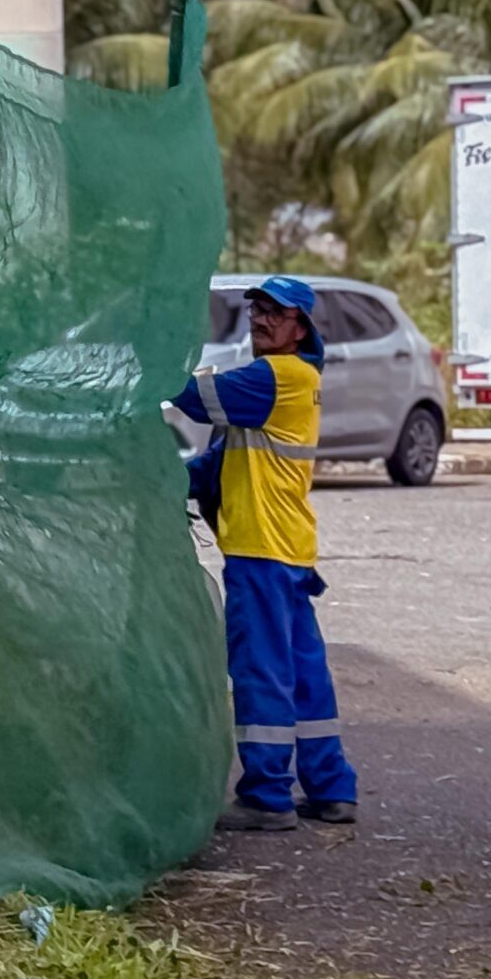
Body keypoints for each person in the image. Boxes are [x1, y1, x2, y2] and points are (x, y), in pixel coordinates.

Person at [172, 277, 357, 834]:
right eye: (256, 310)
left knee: (262, 670)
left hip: (261, 550)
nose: (261, 320)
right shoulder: (284, 384)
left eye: (276, 313)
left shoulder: (278, 376)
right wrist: (166, 480)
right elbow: (220, 466)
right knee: (304, 675)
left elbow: (198, 402)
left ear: (301, 328)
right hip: (289, 549)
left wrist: (150, 358)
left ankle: (268, 795)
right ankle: (331, 789)